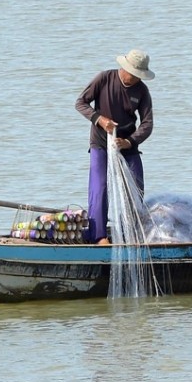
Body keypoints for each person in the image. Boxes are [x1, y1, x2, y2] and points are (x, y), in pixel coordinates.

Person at [75, 49, 155, 244]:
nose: (134, 79)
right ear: (124, 67)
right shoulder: (104, 79)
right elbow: (81, 103)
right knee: (99, 186)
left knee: (136, 186)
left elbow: (147, 124)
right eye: (132, 74)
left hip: (126, 143)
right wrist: (99, 119)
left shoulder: (142, 91)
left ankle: (131, 232)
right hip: (101, 142)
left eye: (139, 76)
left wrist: (129, 142)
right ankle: (99, 235)